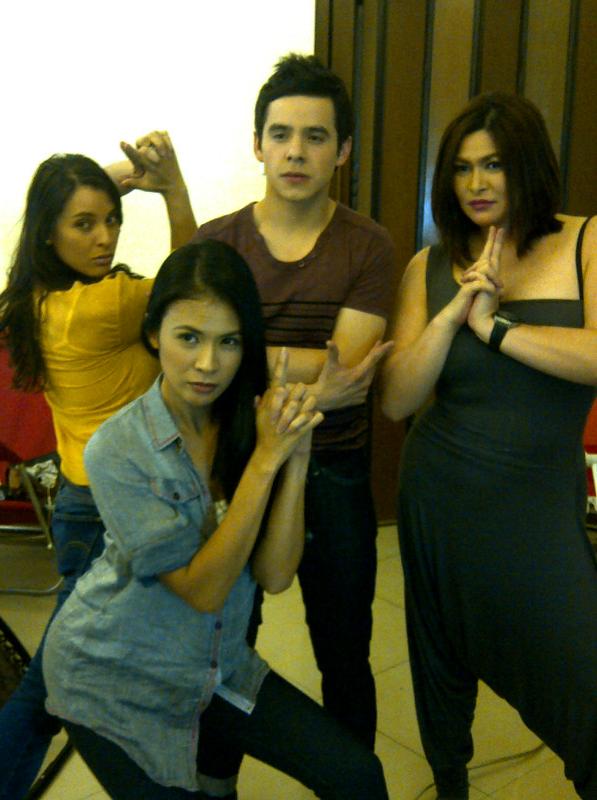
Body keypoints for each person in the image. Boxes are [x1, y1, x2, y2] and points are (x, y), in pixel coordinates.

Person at [41, 240, 390, 800]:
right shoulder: (119, 448)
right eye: (188, 338)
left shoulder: (249, 423)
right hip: (113, 678)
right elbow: (202, 590)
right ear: (153, 334)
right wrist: (266, 460)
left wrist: (296, 453)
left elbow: (275, 575)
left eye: (228, 341)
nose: (208, 364)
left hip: (214, 667)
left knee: (357, 775)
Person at [381, 92, 597, 799]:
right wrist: (450, 318)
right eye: (462, 168)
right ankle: (450, 782)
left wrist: (495, 329)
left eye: (494, 165)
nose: (476, 183)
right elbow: (397, 400)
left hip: (537, 505)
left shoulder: (586, 241)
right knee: (440, 660)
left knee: (582, 676)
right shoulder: (428, 265)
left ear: (527, 165)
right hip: (440, 496)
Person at [194, 53, 396, 750]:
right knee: (224, 643)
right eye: (280, 134)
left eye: (315, 136)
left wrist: (241, 352)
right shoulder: (218, 242)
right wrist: (302, 371)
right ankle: (214, 782)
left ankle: (353, 782)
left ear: (342, 150)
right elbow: (202, 361)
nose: (295, 151)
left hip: (333, 470)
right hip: (234, 463)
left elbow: (352, 368)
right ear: (257, 144)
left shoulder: (368, 246)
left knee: (345, 650)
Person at [0, 132, 196, 799]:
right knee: (52, 683)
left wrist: (113, 182)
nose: (106, 237)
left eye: (111, 219)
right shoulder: (105, 305)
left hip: (85, 504)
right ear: (49, 233)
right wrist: (171, 189)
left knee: (80, 670)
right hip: (111, 514)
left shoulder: (36, 297)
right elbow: (192, 280)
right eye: (84, 224)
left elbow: (62, 210)